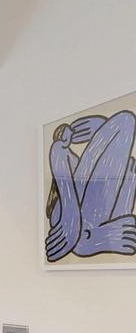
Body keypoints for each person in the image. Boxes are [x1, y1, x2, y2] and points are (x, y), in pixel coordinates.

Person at [45, 110, 136, 261]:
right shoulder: (60, 153)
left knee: (126, 124)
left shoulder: (68, 161)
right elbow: (71, 230)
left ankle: (97, 236)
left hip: (92, 223)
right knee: (126, 121)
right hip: (88, 225)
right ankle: (96, 237)